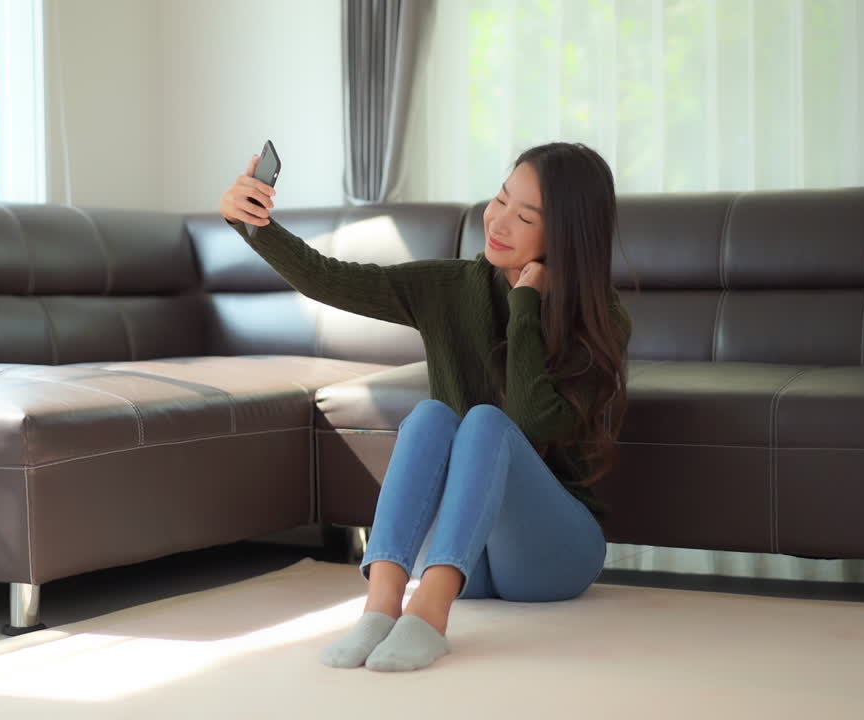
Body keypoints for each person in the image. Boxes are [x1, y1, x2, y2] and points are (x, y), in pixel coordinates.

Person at [219, 142, 632, 672]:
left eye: (524, 216)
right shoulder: (450, 287)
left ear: (566, 238)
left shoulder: (600, 319)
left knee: (486, 421)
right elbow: (330, 278)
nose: (498, 222)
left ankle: (430, 616)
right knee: (432, 415)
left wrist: (525, 306)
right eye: (500, 200)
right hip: (466, 561)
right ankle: (381, 607)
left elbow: (529, 424)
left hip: (553, 556)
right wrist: (252, 224)